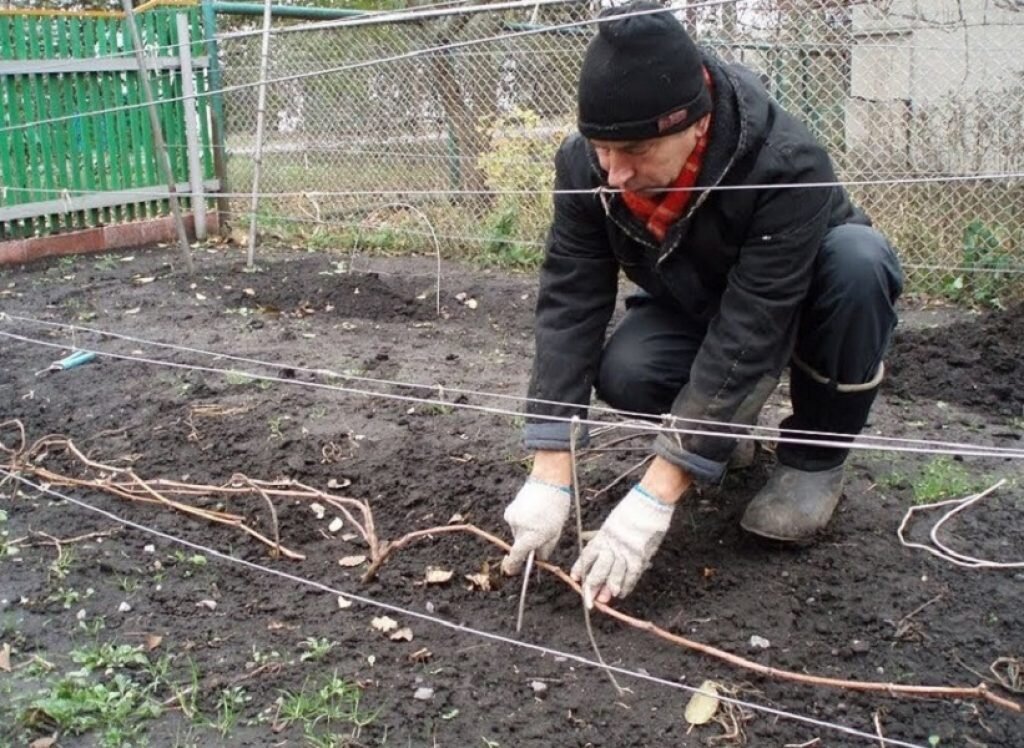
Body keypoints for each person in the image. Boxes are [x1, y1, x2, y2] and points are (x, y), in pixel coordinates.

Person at [500, 1, 904, 608]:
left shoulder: (785, 163)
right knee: (628, 371)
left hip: (807, 295)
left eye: (633, 150)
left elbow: (754, 324)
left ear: (694, 123)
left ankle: (813, 461)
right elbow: (570, 296)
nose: (613, 173)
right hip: (699, 298)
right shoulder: (588, 167)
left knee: (858, 261)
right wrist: (549, 463)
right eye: (601, 148)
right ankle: (720, 442)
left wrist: (652, 498)